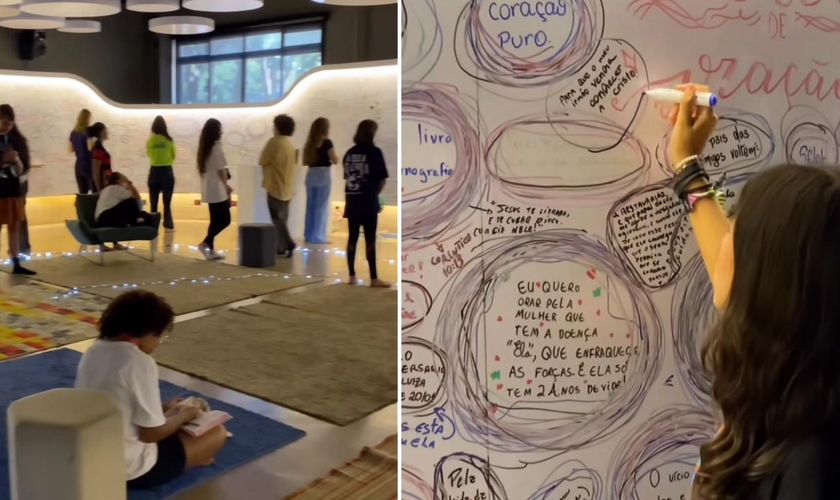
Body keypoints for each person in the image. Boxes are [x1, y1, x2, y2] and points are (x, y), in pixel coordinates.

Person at [667, 84, 840, 500]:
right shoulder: (804, 379)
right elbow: (732, 274)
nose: (724, 239)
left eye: (735, 229)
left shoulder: (811, 469)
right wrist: (688, 167)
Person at [75, 290, 227, 490]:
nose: (157, 344)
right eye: (158, 336)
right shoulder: (139, 362)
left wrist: (168, 410)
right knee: (217, 433)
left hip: (89, 457)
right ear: (147, 332)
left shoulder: (93, 350)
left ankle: (192, 452)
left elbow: (118, 406)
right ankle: (195, 458)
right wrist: (183, 415)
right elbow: (150, 435)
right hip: (129, 469)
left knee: (177, 422)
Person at [342, 120, 389, 287]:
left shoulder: (349, 153)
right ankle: (373, 278)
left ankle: (351, 276)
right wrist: (375, 194)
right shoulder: (375, 152)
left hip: (352, 200)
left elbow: (347, 177)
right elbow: (381, 180)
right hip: (368, 201)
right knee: (370, 239)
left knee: (352, 238)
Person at [0, 105, 34, 275]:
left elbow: (22, 168)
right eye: (4, 123)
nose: (7, 127)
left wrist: (17, 160)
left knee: (14, 225)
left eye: (10, 124)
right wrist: (3, 160)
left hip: (13, 187)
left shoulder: (15, 140)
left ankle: (16, 263)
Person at [259, 114, 297, 257]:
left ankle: (288, 242)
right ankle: (280, 247)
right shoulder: (289, 144)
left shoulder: (274, 142)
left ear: (278, 127)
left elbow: (263, 160)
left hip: (275, 185)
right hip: (287, 186)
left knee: (276, 218)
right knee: (283, 218)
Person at [197, 118, 231, 261]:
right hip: (217, 190)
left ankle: (210, 249)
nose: (221, 133)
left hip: (209, 189)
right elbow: (221, 170)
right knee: (225, 220)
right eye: (220, 130)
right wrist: (226, 186)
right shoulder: (216, 147)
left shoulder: (204, 149)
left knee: (215, 220)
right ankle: (205, 243)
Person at [301, 117, 338, 245]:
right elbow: (334, 160)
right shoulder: (327, 142)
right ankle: (318, 236)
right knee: (321, 206)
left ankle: (308, 234)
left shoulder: (309, 143)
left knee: (310, 206)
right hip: (323, 175)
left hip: (311, 175)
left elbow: (305, 161)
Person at [147, 116, 176, 233]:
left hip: (154, 172)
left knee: (153, 202)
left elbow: (149, 154)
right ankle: (168, 226)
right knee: (167, 202)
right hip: (167, 172)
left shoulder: (150, 141)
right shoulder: (169, 140)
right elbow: (173, 155)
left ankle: (152, 227)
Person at [69, 108, 93, 194]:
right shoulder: (87, 131)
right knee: (95, 190)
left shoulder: (73, 133)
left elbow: (71, 149)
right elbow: (90, 147)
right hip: (88, 164)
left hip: (78, 165)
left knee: (82, 193)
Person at [88, 122, 112, 193]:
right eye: (105, 130)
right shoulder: (98, 148)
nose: (107, 132)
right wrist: (99, 190)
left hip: (104, 183)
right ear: (101, 132)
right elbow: (95, 171)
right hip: (101, 185)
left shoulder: (98, 147)